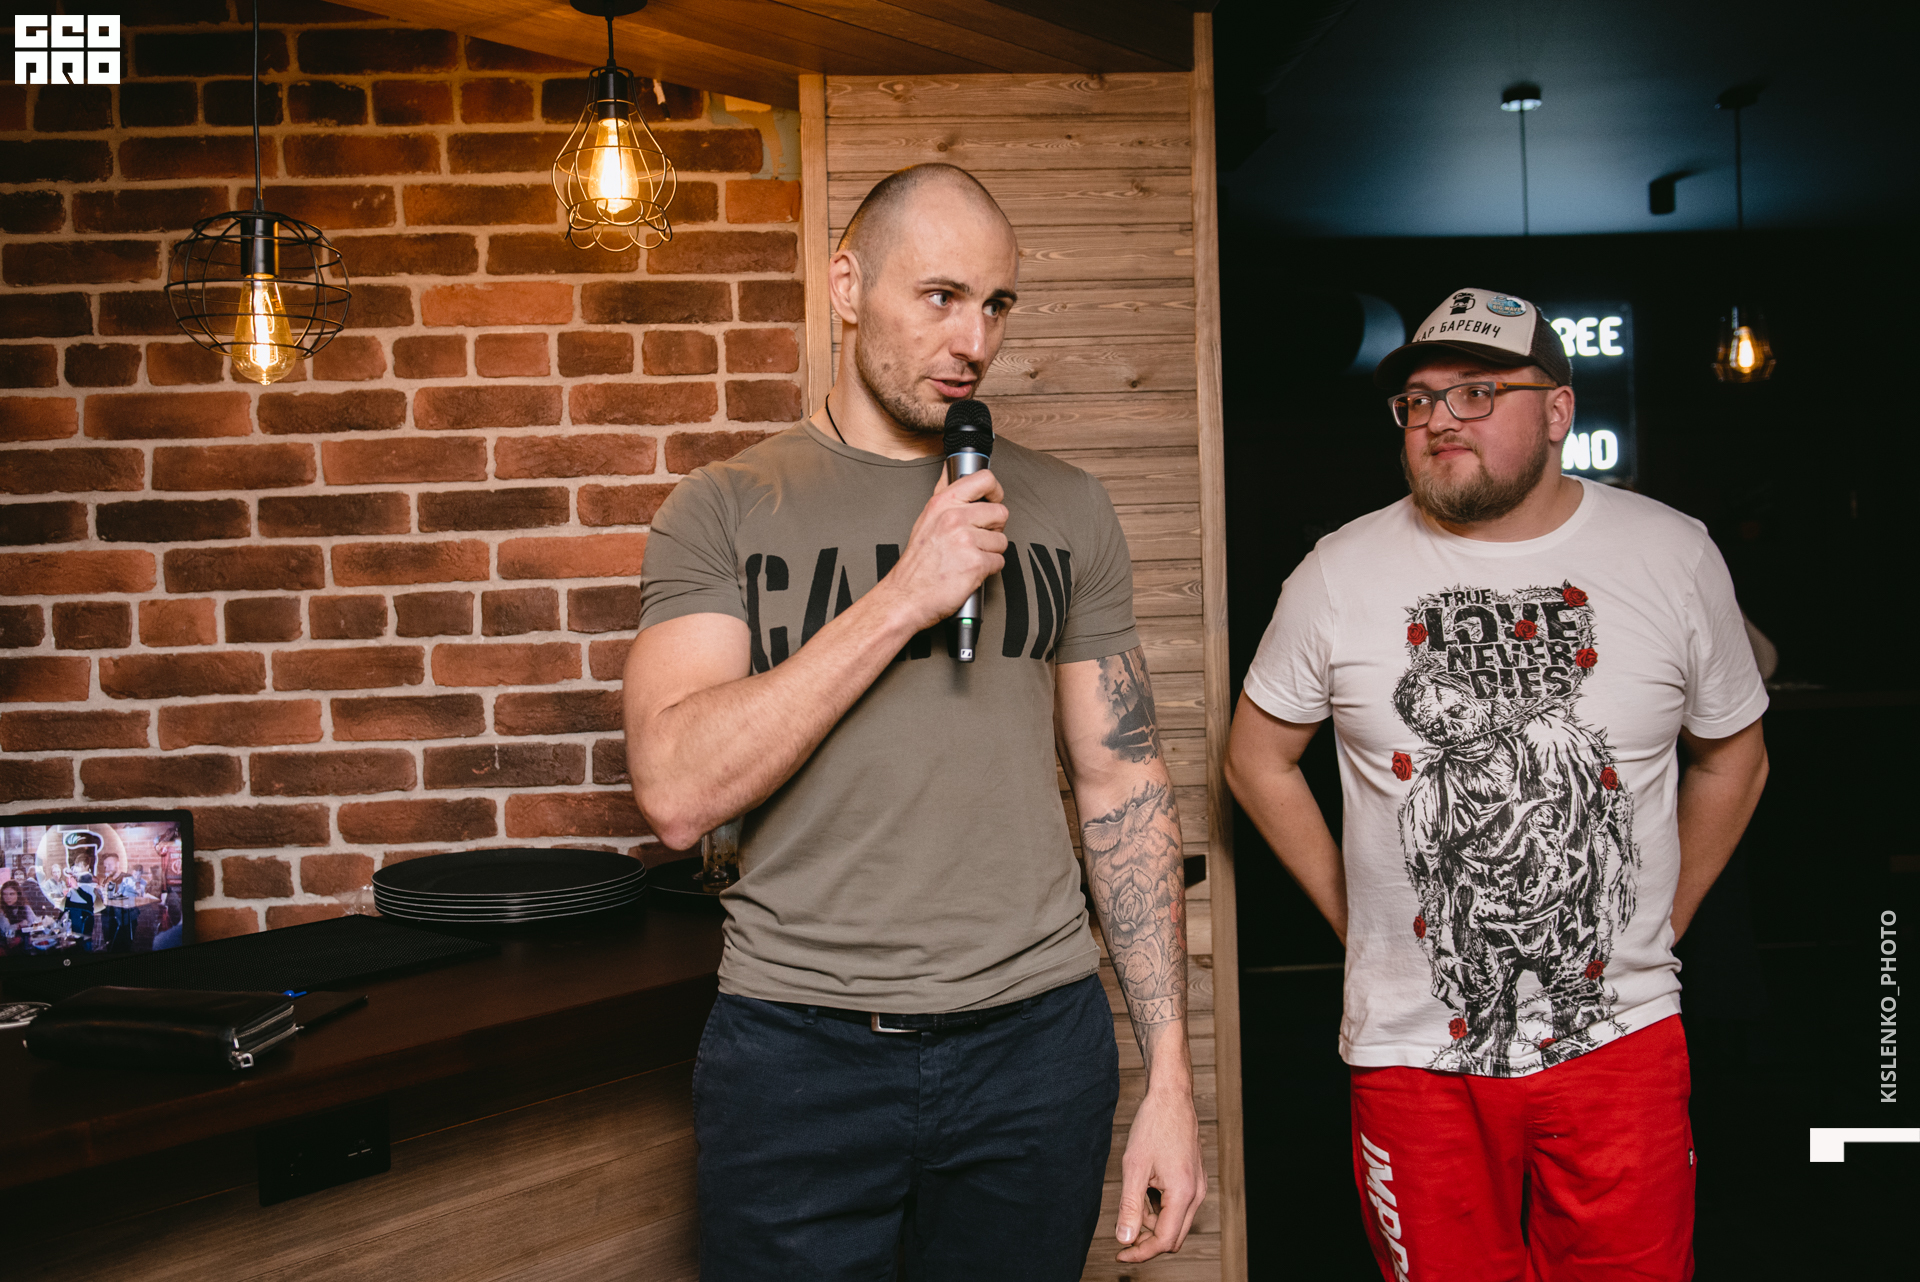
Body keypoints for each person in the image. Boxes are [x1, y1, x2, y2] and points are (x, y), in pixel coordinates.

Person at [624, 162, 1206, 1277]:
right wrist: (904, 595)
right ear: (847, 286)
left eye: (996, 304)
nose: (973, 340)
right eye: (940, 296)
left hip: (1035, 1047)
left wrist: (1171, 1079)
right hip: (798, 1051)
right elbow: (676, 791)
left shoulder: (1067, 506)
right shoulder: (726, 506)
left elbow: (1124, 786)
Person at [1225, 287, 1769, 1281]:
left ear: (1558, 411)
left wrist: (1656, 917)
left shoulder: (1673, 553)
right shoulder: (1337, 573)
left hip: (1620, 1037)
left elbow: (1736, 754)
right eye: (1419, 400)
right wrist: (1362, 919)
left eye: (1476, 392)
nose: (1439, 418)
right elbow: (1255, 756)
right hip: (1415, 1051)